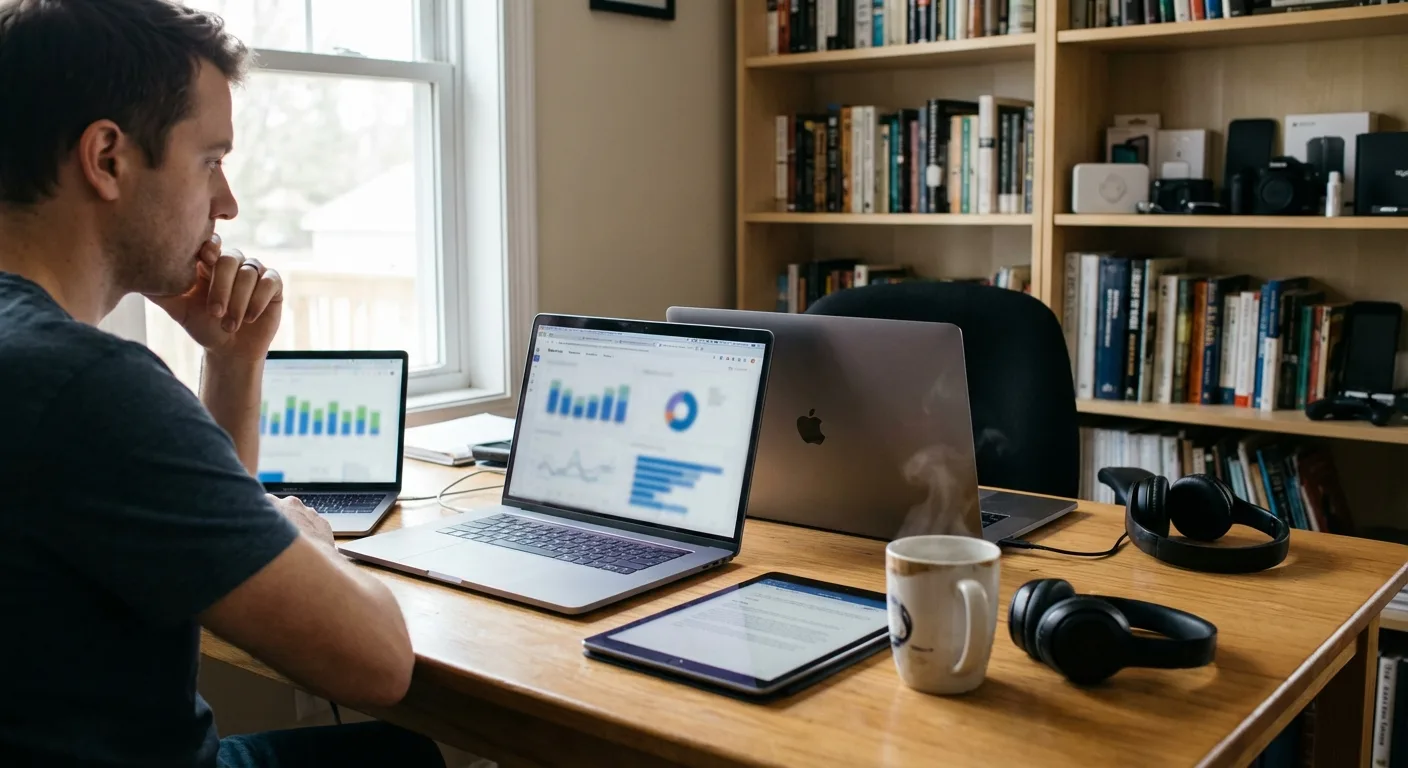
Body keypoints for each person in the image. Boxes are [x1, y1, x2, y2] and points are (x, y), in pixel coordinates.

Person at [0, 1, 445, 766]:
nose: (228, 203)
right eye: (211, 160)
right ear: (107, 158)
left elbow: (203, 552)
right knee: (402, 755)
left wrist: (233, 361)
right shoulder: (87, 385)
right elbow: (378, 663)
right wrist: (303, 536)